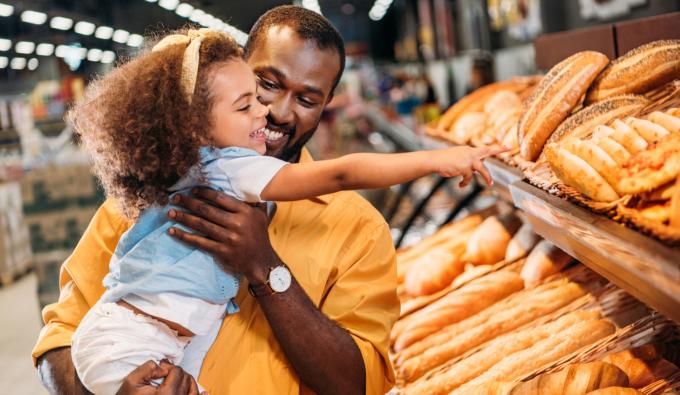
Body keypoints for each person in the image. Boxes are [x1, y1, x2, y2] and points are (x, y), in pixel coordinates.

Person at [32, 6, 499, 395]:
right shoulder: (147, 198)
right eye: (266, 84)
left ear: (327, 105)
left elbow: (356, 384)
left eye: (307, 98)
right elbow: (59, 342)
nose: (276, 111)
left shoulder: (358, 230)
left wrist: (264, 267)